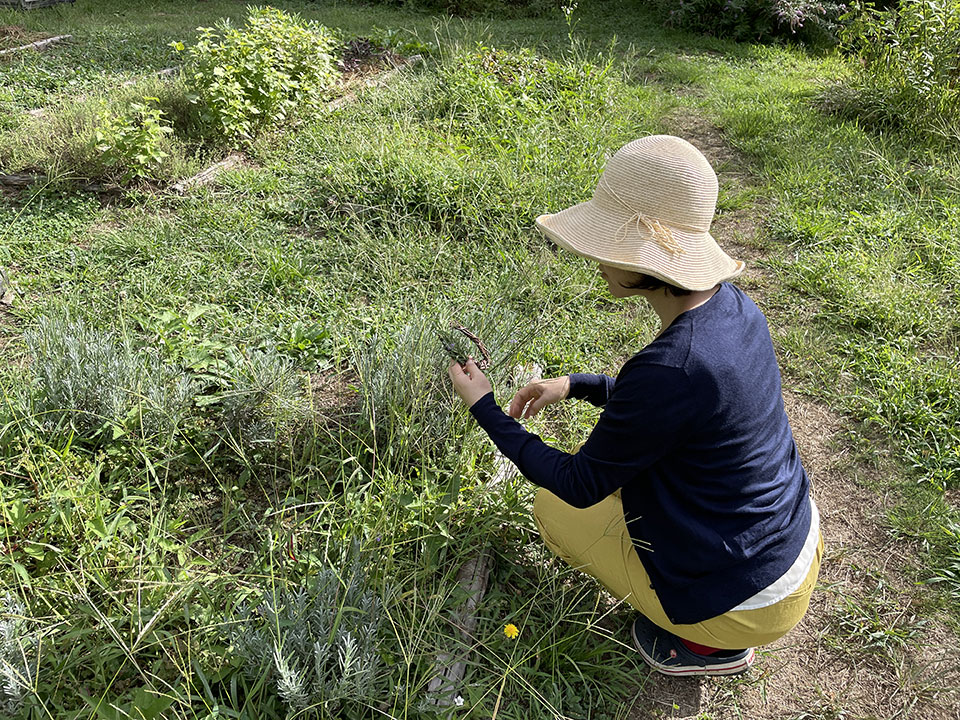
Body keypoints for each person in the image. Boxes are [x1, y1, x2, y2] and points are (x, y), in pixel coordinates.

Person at [447, 135, 822, 677]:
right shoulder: (733, 309)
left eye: (608, 243)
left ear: (644, 257)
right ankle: (715, 624)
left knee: (555, 511)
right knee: (619, 485)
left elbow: (578, 483)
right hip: (791, 543)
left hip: (749, 601)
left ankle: (706, 646)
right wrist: (576, 385)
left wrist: (483, 404)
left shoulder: (672, 367)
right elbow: (675, 407)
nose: (597, 257)